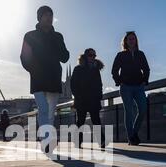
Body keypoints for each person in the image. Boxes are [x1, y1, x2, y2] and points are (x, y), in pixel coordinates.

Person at [20, 5, 70, 154]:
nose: (49, 18)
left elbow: (65, 57)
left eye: (51, 15)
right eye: (46, 15)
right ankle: (47, 140)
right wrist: (33, 70)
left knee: (51, 112)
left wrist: (59, 44)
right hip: (38, 79)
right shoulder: (30, 35)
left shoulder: (58, 36)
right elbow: (24, 57)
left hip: (54, 77)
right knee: (43, 109)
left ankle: (46, 138)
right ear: (39, 17)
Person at [112, 31, 150, 146]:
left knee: (143, 109)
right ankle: (131, 138)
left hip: (139, 87)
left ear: (136, 41)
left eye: (133, 39)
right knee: (129, 112)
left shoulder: (141, 54)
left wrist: (144, 81)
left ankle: (133, 133)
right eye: (129, 39)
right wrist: (119, 82)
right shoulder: (120, 55)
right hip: (126, 87)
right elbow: (114, 70)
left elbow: (146, 69)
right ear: (126, 41)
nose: (131, 41)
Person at [71, 48, 105, 149]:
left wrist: (99, 95)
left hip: (94, 99)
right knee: (80, 121)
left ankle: (101, 141)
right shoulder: (78, 69)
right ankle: (78, 141)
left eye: (94, 56)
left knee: (96, 121)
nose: (93, 57)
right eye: (90, 55)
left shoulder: (96, 69)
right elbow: (73, 84)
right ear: (85, 56)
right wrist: (77, 96)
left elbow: (99, 84)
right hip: (81, 99)